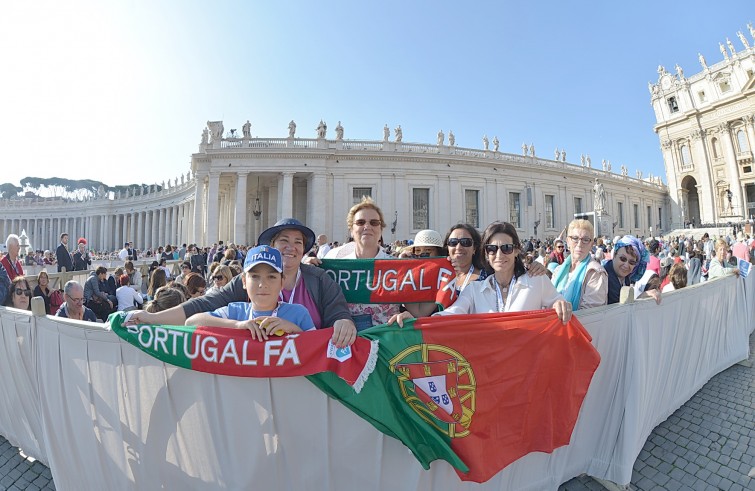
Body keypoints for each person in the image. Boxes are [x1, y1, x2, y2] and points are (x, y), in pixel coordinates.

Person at [127, 218, 357, 348]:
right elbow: (203, 306)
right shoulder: (243, 281)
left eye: (298, 242)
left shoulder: (318, 279)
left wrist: (344, 321)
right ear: (271, 246)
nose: (291, 247)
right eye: (284, 241)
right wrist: (154, 318)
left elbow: (336, 313)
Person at [397, 222, 571, 323]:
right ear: (486, 253)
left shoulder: (536, 280)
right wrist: (416, 323)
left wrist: (561, 304)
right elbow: (450, 314)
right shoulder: (474, 290)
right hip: (490, 372)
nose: (499, 254)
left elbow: (559, 302)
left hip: (528, 371)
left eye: (507, 248)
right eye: (492, 249)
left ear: (517, 250)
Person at [186, 246, 314, 341]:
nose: (262, 284)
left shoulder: (299, 314)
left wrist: (294, 329)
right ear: (244, 282)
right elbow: (191, 322)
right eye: (254, 277)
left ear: (282, 283)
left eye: (271, 277)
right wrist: (237, 325)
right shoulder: (234, 312)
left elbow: (316, 348)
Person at [324, 197, 403, 329]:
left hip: (386, 340)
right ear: (351, 229)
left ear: (381, 229)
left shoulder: (398, 267)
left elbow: (419, 312)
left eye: (374, 222)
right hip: (345, 341)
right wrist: (308, 269)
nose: (367, 227)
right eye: (360, 222)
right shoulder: (334, 264)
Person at [551, 219, 608, 310]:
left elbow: (590, 314)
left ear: (591, 244)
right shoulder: (558, 270)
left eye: (585, 240)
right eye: (575, 238)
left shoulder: (595, 273)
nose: (579, 244)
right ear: (568, 242)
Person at [605, 235, 655, 305]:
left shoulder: (626, 278)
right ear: (614, 255)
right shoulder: (605, 277)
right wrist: (641, 297)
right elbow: (620, 311)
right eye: (622, 259)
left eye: (632, 262)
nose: (626, 265)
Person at [443, 224, 488, 296]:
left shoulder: (487, 279)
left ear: (474, 248)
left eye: (465, 242)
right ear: (447, 248)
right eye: (453, 242)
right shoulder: (440, 276)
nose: (458, 247)